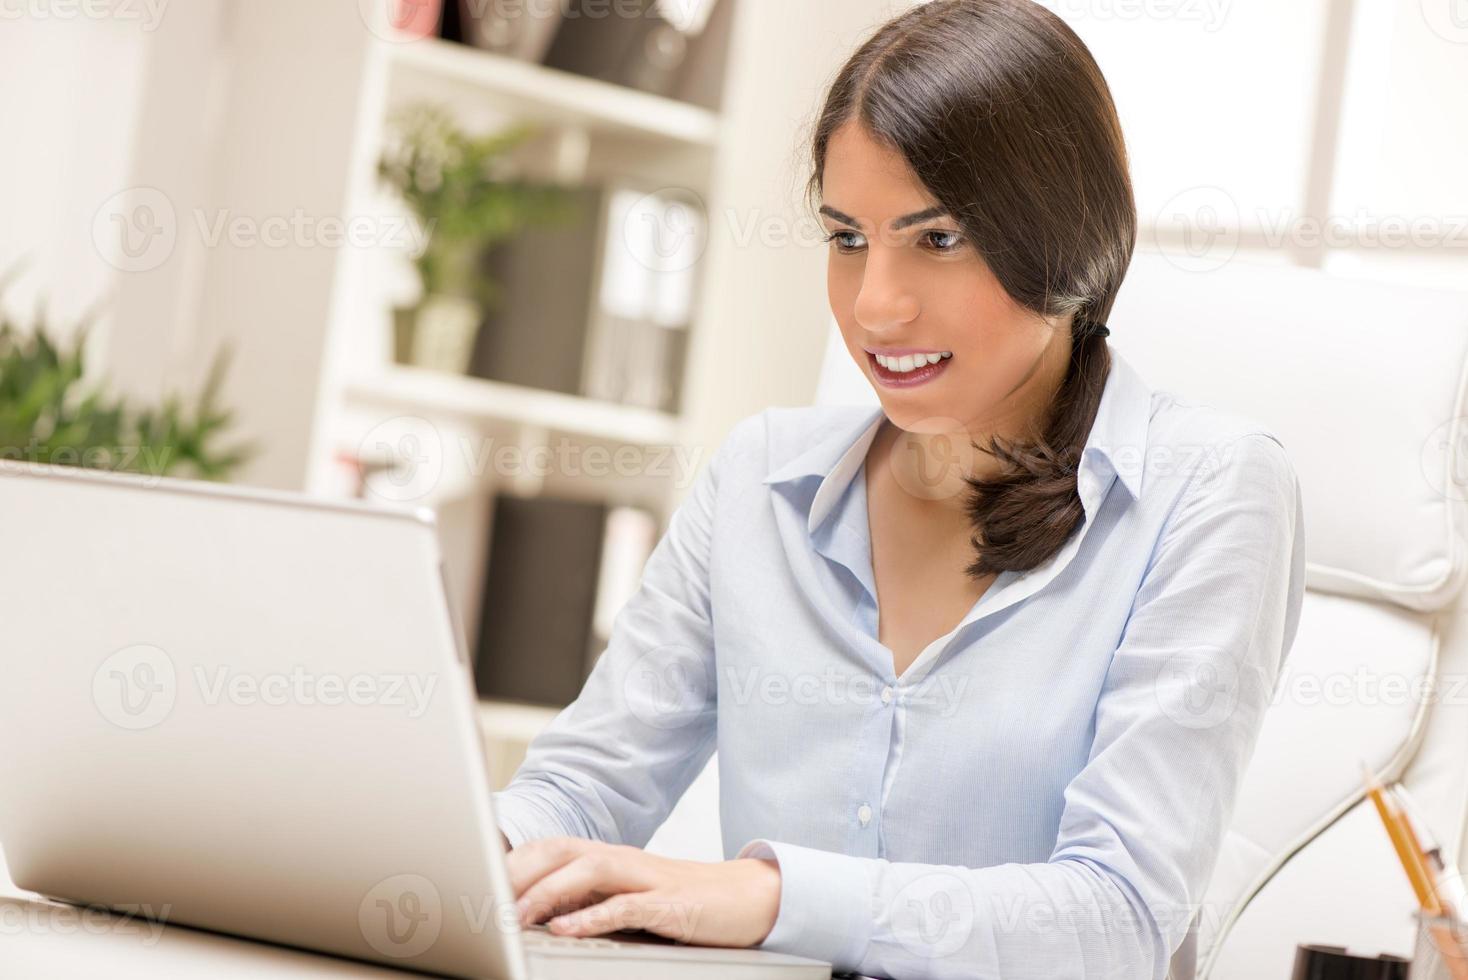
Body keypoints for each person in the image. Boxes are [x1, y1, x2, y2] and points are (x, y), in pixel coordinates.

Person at [494, 1, 1306, 977]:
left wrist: (771, 898)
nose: (875, 303)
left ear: (1071, 240)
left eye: (938, 238)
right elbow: (583, 784)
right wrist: (474, 858)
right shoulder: (760, 479)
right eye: (846, 238)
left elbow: (1116, 912)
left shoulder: (1209, 492)